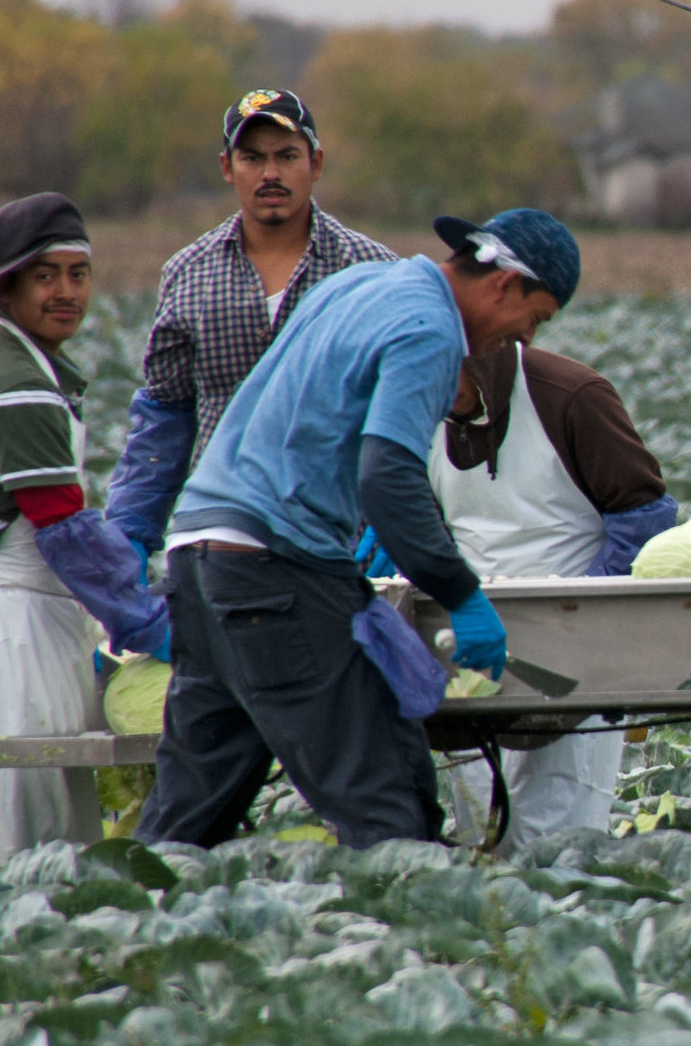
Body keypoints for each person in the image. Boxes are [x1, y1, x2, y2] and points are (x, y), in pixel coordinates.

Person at [132, 209, 564, 850]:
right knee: (387, 805)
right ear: (504, 284)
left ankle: (112, 938)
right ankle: (402, 943)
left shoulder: (360, 285)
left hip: (198, 558)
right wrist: (461, 593)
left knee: (188, 814)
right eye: (536, 317)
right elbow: (387, 476)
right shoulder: (430, 330)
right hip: (272, 570)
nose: (524, 338)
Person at [363, 210, 677, 852]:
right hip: (472, 657)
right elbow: (417, 516)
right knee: (486, 844)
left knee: (561, 847)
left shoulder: (573, 396)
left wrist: (581, 615)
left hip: (571, 667)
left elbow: (646, 519)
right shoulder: (414, 400)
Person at [0, 193, 170, 865]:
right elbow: (62, 528)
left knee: (23, 832)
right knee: (25, 852)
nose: (66, 292)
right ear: (6, 287)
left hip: (17, 625)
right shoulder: (18, 384)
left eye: (78, 274)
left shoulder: (5, 359)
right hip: (11, 639)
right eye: (45, 276)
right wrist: (145, 620)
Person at [105, 88, 396, 575]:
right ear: (226, 167)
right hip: (220, 544)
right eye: (252, 158)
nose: (271, 174)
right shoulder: (189, 275)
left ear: (316, 162)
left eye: (287, 156)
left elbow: (408, 411)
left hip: (340, 548)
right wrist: (131, 528)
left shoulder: (372, 273)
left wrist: (398, 517)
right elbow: (166, 419)